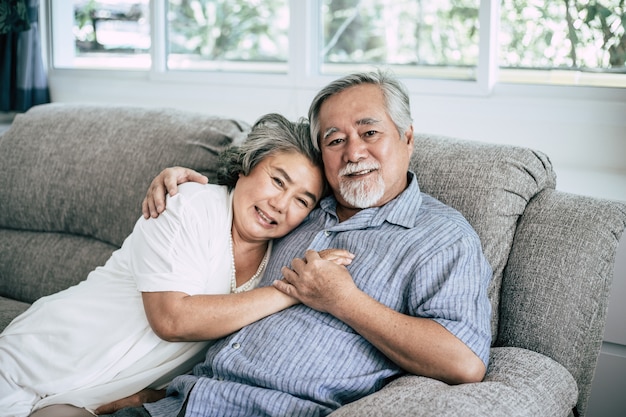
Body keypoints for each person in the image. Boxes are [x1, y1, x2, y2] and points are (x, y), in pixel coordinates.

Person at [103, 69, 493, 417]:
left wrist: (345, 300)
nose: (354, 152)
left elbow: (464, 362)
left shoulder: (442, 237)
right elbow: (252, 189)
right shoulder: (300, 210)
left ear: (407, 138)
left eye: (369, 132)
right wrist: (180, 183)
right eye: (335, 140)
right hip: (181, 401)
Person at [0, 114, 352, 417]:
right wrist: (291, 292)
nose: (280, 204)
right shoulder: (188, 205)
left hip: (92, 401)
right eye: (277, 180)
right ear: (246, 166)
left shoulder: (281, 253)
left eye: (301, 200)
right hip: (36, 360)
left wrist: (156, 396)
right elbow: (171, 320)